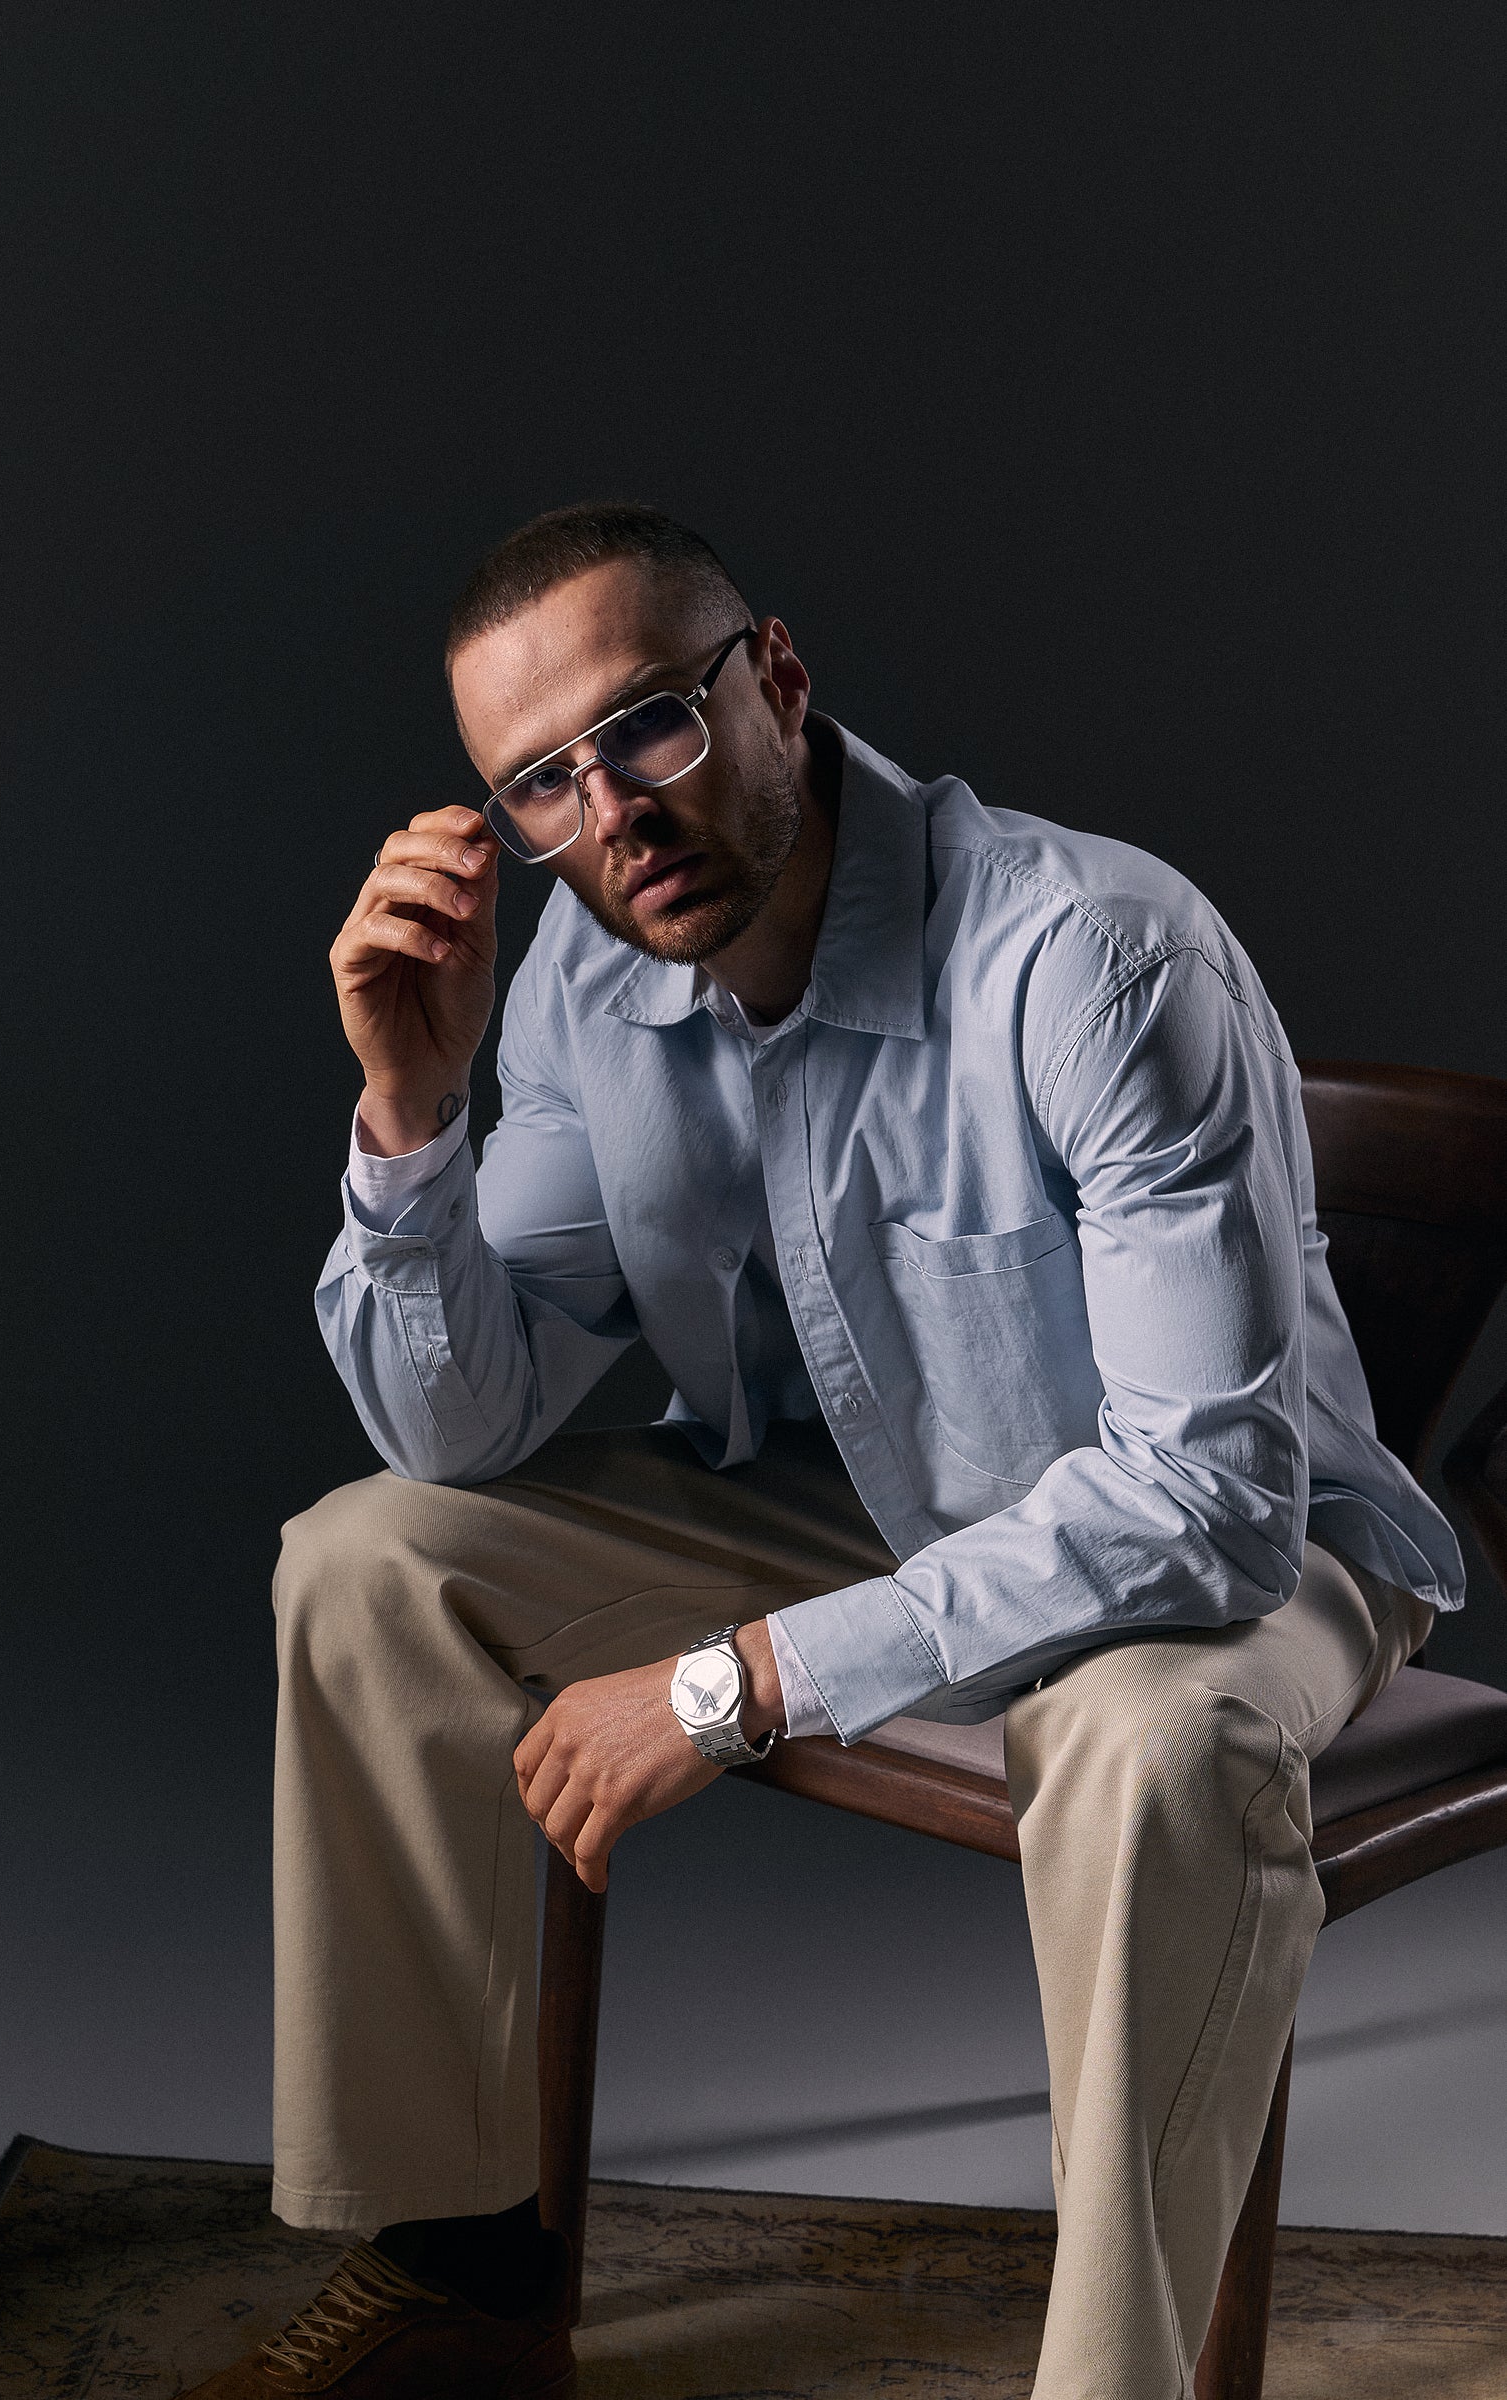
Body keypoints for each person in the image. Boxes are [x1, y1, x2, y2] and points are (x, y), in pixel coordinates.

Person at [183, 503, 1462, 2400]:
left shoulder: (1093, 959)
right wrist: (409, 1110)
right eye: (540, 784)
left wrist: (731, 1685)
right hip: (857, 1504)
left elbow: (1202, 1499)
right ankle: (462, 2269)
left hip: (1235, 1553)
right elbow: (456, 1427)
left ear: (773, 681)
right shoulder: (587, 983)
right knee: (367, 1564)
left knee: (1149, 1747)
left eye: (646, 724)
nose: (612, 814)